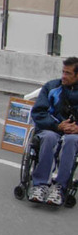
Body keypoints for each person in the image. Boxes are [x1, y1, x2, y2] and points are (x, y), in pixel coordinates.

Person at [29, 57, 78, 206]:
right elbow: (38, 112)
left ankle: (60, 187)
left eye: (68, 73)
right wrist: (58, 126)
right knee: (50, 138)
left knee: (71, 141)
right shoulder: (51, 87)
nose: (63, 76)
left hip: (74, 134)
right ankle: (40, 185)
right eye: (63, 72)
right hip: (51, 129)